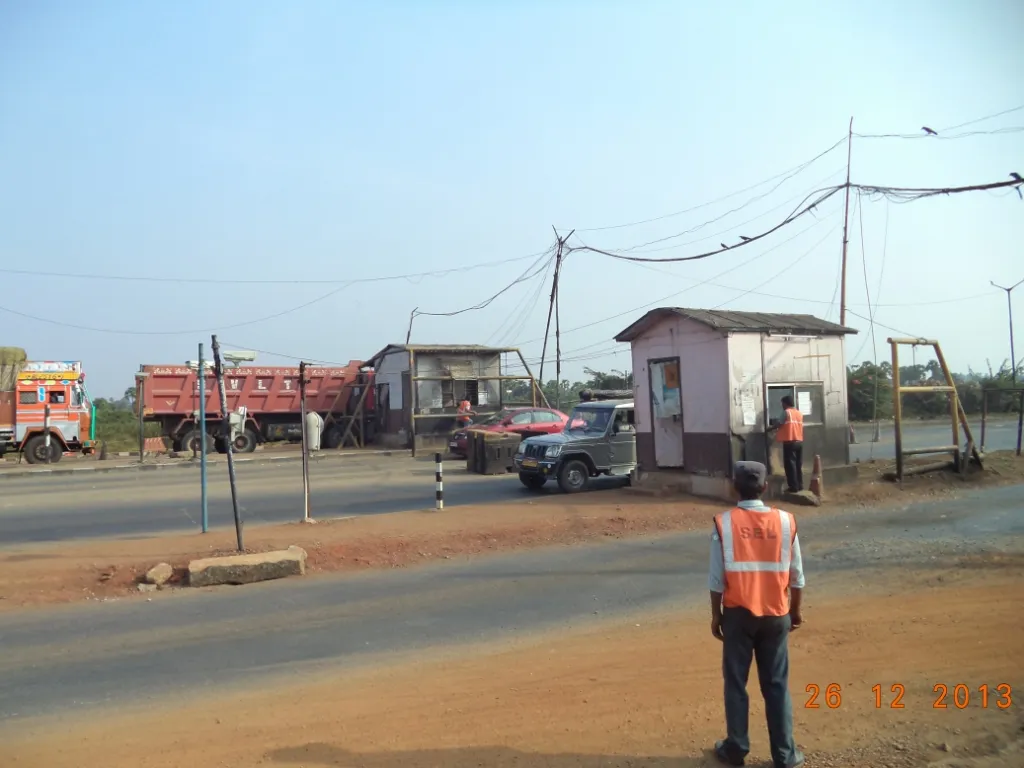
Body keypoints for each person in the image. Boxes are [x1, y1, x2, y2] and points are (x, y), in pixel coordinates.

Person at [709, 461, 805, 768]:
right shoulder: (786, 522)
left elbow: (716, 579)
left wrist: (716, 616)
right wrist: (795, 611)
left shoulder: (724, 524)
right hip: (777, 614)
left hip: (738, 614)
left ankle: (736, 749)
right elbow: (797, 576)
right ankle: (785, 755)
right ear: (765, 487)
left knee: (736, 682)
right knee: (776, 685)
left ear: (734, 487)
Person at [773, 395, 804, 493]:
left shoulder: (786, 412)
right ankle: (800, 485)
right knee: (798, 464)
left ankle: (793, 487)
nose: (782, 405)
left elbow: (779, 423)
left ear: (786, 403)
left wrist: (770, 427)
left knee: (790, 465)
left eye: (782, 403)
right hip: (799, 441)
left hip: (790, 442)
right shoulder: (799, 413)